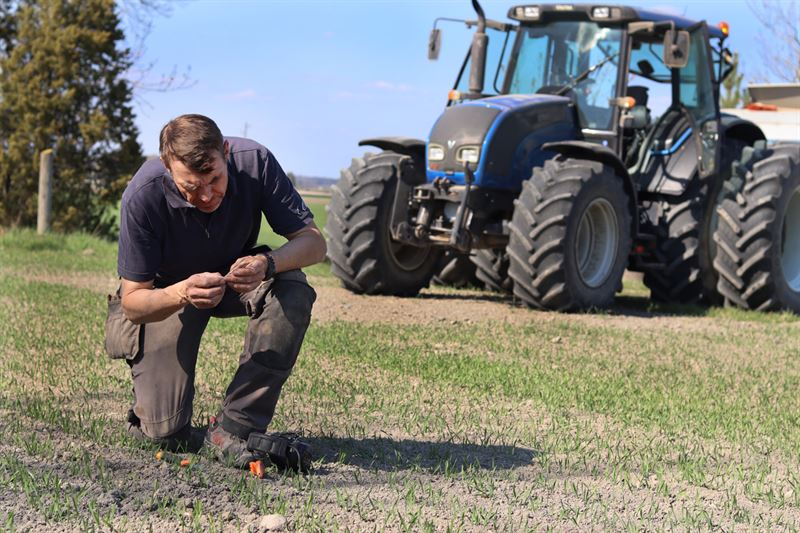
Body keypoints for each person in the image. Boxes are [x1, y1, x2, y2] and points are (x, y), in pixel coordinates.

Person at [105, 114, 326, 468]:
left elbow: (314, 244)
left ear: (226, 152)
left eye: (215, 179)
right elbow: (133, 302)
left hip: (234, 281)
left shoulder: (256, 162)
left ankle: (238, 425)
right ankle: (154, 412)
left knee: (293, 289)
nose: (206, 195)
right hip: (169, 293)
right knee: (165, 434)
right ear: (167, 166)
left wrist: (266, 264)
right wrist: (181, 293)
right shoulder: (142, 195)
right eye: (190, 186)